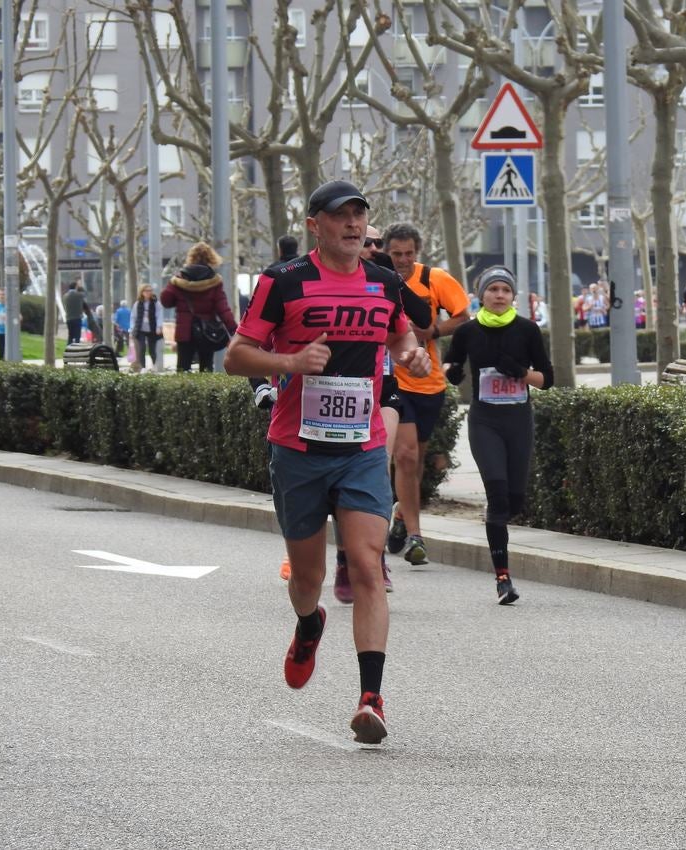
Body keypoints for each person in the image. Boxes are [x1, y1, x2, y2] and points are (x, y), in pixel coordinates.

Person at [225, 179, 432, 744]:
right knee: (309, 578)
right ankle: (309, 623)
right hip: (298, 448)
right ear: (315, 223)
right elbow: (235, 357)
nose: (353, 224)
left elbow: (402, 337)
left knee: (367, 565)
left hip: (362, 448)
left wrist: (408, 353)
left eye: (359, 215)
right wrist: (290, 361)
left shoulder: (384, 283)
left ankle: (372, 698)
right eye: (340, 216)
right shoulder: (283, 281)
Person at [441, 266, 554, 604]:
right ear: (482, 296)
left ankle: (499, 536)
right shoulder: (468, 332)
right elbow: (450, 365)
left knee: (515, 500)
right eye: (494, 290)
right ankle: (502, 578)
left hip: (519, 421)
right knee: (498, 495)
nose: (500, 295)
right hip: (484, 422)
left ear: (514, 296)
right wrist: (454, 372)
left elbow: (547, 380)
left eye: (506, 290)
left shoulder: (527, 330)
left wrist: (520, 372)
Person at [382, 222, 471, 567]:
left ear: (417, 252)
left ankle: (402, 515)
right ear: (386, 252)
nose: (402, 260)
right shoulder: (377, 279)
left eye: (408, 254)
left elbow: (463, 317)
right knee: (403, 456)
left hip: (429, 382)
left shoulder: (434, 279)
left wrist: (432, 330)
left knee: (414, 461)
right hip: (394, 381)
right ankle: (417, 537)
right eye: (396, 254)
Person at [161, 242, 238, 373]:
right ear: (211, 258)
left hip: (184, 331)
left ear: (191, 257)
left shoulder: (180, 278)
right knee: (207, 367)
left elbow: (166, 301)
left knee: (183, 368)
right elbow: (223, 309)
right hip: (207, 332)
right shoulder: (214, 280)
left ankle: (183, 393)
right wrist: (234, 331)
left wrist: (173, 285)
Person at [129, 284, 165, 372]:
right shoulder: (138, 303)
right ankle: (143, 367)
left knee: (152, 349)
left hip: (152, 329)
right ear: (142, 292)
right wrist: (132, 328)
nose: (149, 293)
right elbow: (133, 317)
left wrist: (159, 327)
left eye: (150, 290)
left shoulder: (156, 303)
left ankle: (154, 365)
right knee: (142, 348)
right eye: (147, 291)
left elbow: (159, 315)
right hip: (140, 329)